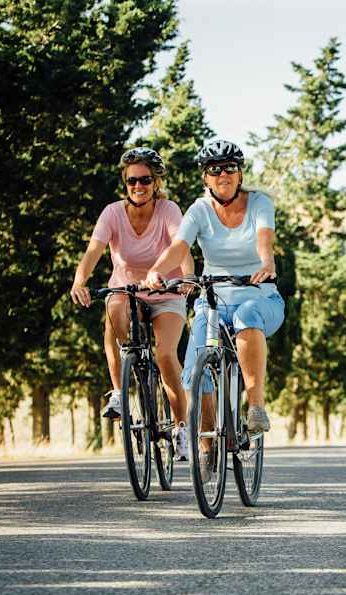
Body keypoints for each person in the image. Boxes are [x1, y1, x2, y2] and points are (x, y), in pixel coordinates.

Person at [144, 139, 284, 445]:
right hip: (213, 299)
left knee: (247, 316)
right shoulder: (199, 210)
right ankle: (207, 445)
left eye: (230, 168)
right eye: (214, 169)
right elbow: (179, 246)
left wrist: (267, 262)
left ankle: (256, 407)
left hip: (258, 295)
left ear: (240, 173)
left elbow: (264, 239)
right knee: (195, 370)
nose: (223, 174)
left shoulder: (260, 203)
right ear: (205, 177)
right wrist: (156, 270)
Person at [70, 147, 194, 461]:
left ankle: (181, 429)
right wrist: (79, 281)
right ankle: (120, 389)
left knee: (165, 355)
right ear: (125, 183)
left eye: (145, 180)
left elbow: (181, 247)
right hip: (127, 290)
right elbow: (93, 251)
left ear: (156, 182)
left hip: (166, 291)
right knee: (113, 311)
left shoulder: (168, 210)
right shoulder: (112, 213)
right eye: (132, 181)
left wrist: (188, 277)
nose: (138, 186)